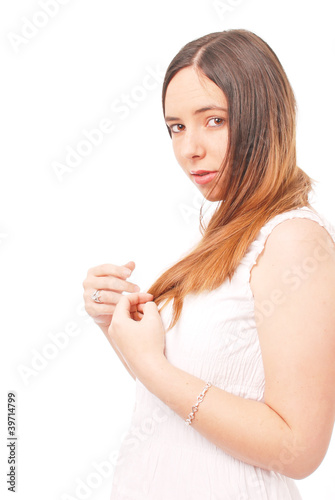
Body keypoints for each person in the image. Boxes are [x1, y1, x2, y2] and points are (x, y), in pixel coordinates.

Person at [83, 29, 335, 499]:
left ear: (264, 119)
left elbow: (299, 449)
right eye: (176, 126)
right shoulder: (224, 237)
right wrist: (114, 324)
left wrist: (152, 367)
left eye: (213, 120)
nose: (188, 149)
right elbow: (179, 393)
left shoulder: (294, 241)